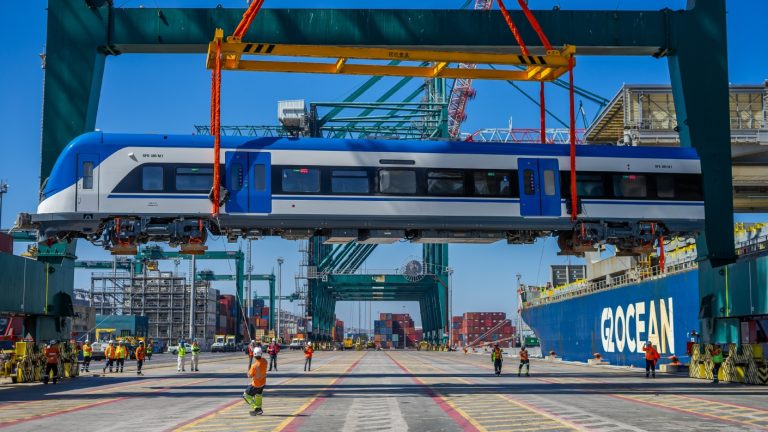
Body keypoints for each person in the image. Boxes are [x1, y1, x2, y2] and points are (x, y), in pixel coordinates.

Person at [243, 347, 267, 416]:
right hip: (263, 383)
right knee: (258, 395)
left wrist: (248, 373)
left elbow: (249, 375)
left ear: (254, 355)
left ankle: (256, 408)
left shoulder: (254, 366)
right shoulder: (265, 361)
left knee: (246, 395)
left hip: (256, 384)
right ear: (261, 354)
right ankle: (259, 408)